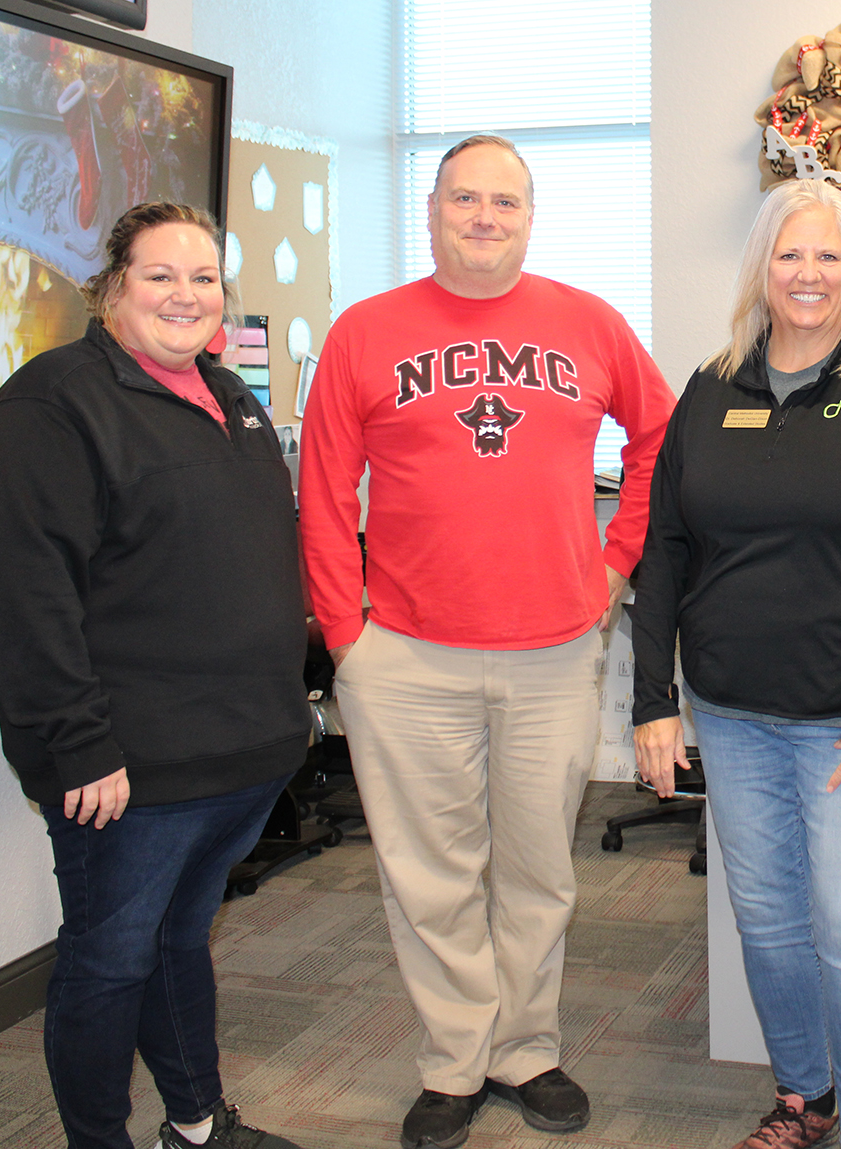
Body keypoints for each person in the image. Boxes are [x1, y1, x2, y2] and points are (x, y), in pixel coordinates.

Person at [298, 134, 674, 1149]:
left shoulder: (587, 323)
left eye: (503, 201)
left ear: (528, 215)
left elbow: (659, 440)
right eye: (464, 197)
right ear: (431, 209)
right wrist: (345, 632)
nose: (483, 216)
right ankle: (454, 1058)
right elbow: (324, 488)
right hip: (406, 653)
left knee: (537, 863)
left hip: (554, 647)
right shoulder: (364, 333)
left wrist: (614, 563)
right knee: (430, 869)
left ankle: (526, 1047)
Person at [630, 179, 841, 1149]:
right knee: (767, 918)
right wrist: (654, 699)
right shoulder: (710, 386)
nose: (808, 275)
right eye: (788, 255)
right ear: (760, 270)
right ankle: (802, 1099)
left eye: (826, 256)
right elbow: (665, 547)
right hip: (729, 711)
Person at [0, 202, 311, 1149]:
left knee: (178, 941)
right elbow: (28, 596)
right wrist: (77, 744)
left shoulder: (229, 395)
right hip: (128, 770)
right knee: (109, 963)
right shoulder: (53, 405)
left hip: (239, 752)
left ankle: (197, 1126)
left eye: (203, 277)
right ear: (114, 285)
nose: (185, 294)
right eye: (160, 274)